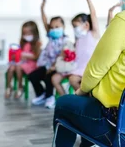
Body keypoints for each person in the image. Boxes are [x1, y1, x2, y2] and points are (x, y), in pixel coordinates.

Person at [53, 10, 125, 147]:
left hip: (114, 125)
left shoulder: (123, 21)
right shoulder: (79, 40)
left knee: (63, 103)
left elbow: (96, 69)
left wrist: (81, 91)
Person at [52, 0, 100, 98]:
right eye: (73, 27)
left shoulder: (93, 34)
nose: (74, 29)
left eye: (76, 26)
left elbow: (93, 14)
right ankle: (66, 100)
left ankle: (84, 100)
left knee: (73, 79)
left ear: (86, 24)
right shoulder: (78, 40)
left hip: (88, 69)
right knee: (55, 78)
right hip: (75, 67)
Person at [28, 0, 69, 109]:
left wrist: (53, 67)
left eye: (57, 27)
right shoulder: (51, 36)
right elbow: (44, 21)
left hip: (58, 66)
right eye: (52, 27)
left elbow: (62, 56)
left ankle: (50, 97)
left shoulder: (66, 41)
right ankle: (42, 94)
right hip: (47, 64)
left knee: (49, 77)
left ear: (63, 27)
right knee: (32, 76)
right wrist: (42, 8)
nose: (54, 29)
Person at [5, 21, 41, 99]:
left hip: (31, 64)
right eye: (24, 34)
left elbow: (36, 57)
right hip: (21, 62)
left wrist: (25, 55)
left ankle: (20, 86)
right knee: (11, 68)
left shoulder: (37, 43)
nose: (26, 36)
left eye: (29, 33)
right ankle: (8, 87)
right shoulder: (23, 43)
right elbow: (19, 53)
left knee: (18, 66)